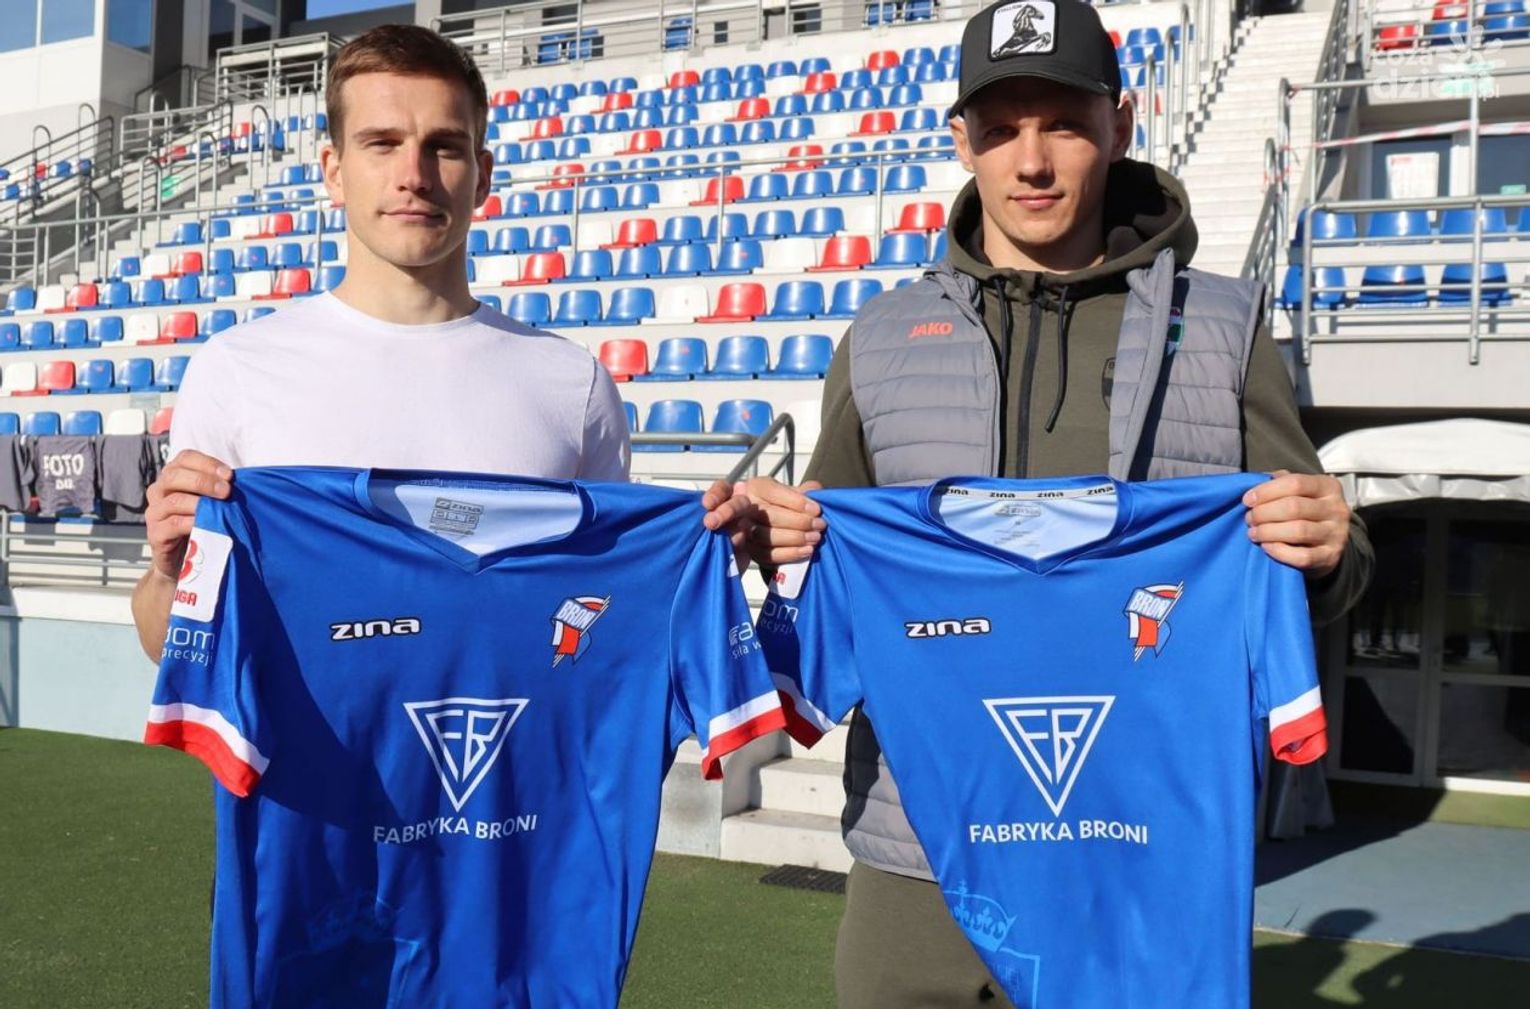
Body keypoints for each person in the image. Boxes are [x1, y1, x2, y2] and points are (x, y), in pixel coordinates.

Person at [737, 2, 1375, 1006]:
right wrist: (773, 544)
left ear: (1120, 124)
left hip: (1139, 845)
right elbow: (822, 560)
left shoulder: (1225, 326)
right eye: (1001, 129)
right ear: (962, 141)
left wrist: (1331, 547)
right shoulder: (882, 338)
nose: (1031, 162)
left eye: (1064, 125)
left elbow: (1321, 566)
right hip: (919, 859)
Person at [131, 24, 748, 659]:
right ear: (334, 172)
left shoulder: (573, 383)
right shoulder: (237, 369)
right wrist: (171, 574)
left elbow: (604, 615)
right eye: (382, 143)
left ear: (481, 176)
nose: (415, 176)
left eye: (444, 148)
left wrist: (722, 550)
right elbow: (163, 645)